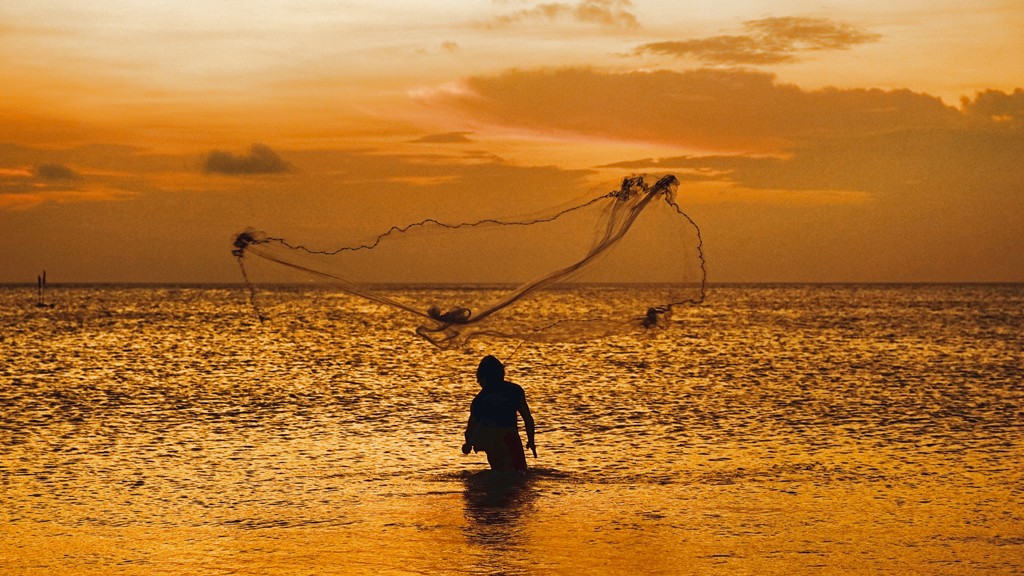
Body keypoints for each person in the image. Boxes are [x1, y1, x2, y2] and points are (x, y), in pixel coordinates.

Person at [462, 355, 536, 473]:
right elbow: (528, 419)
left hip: (492, 442)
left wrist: (468, 444)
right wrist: (531, 441)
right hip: (510, 437)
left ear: (483, 378)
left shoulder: (480, 399)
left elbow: (470, 428)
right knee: (520, 473)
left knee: (499, 475)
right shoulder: (515, 390)